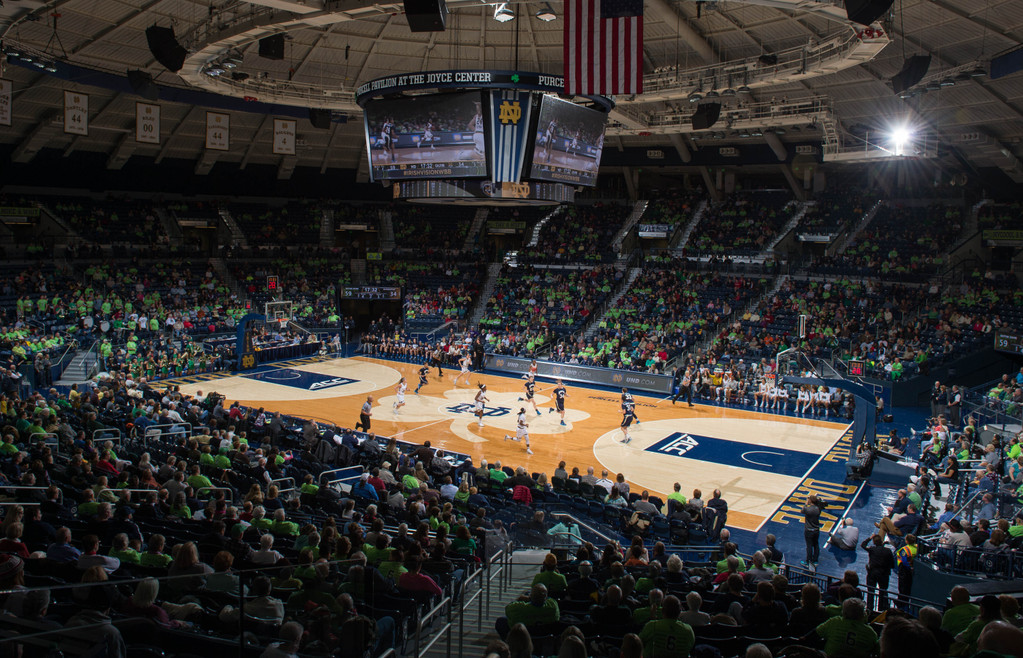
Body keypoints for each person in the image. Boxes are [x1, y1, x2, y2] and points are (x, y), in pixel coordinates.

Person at [859, 534, 894, 611]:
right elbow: (892, 564)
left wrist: (870, 538)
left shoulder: (872, 549)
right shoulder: (888, 551)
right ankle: (881, 609)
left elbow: (863, 545)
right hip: (884, 574)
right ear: (881, 541)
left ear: (874, 542)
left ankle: (869, 609)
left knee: (871, 591)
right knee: (883, 591)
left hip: (872, 573)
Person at [801, 494, 824, 567]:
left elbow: (802, 510)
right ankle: (815, 561)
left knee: (809, 546)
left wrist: (806, 503)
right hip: (816, 530)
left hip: (809, 530)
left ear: (810, 501)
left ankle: (808, 561)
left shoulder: (808, 509)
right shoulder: (818, 509)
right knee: (816, 545)